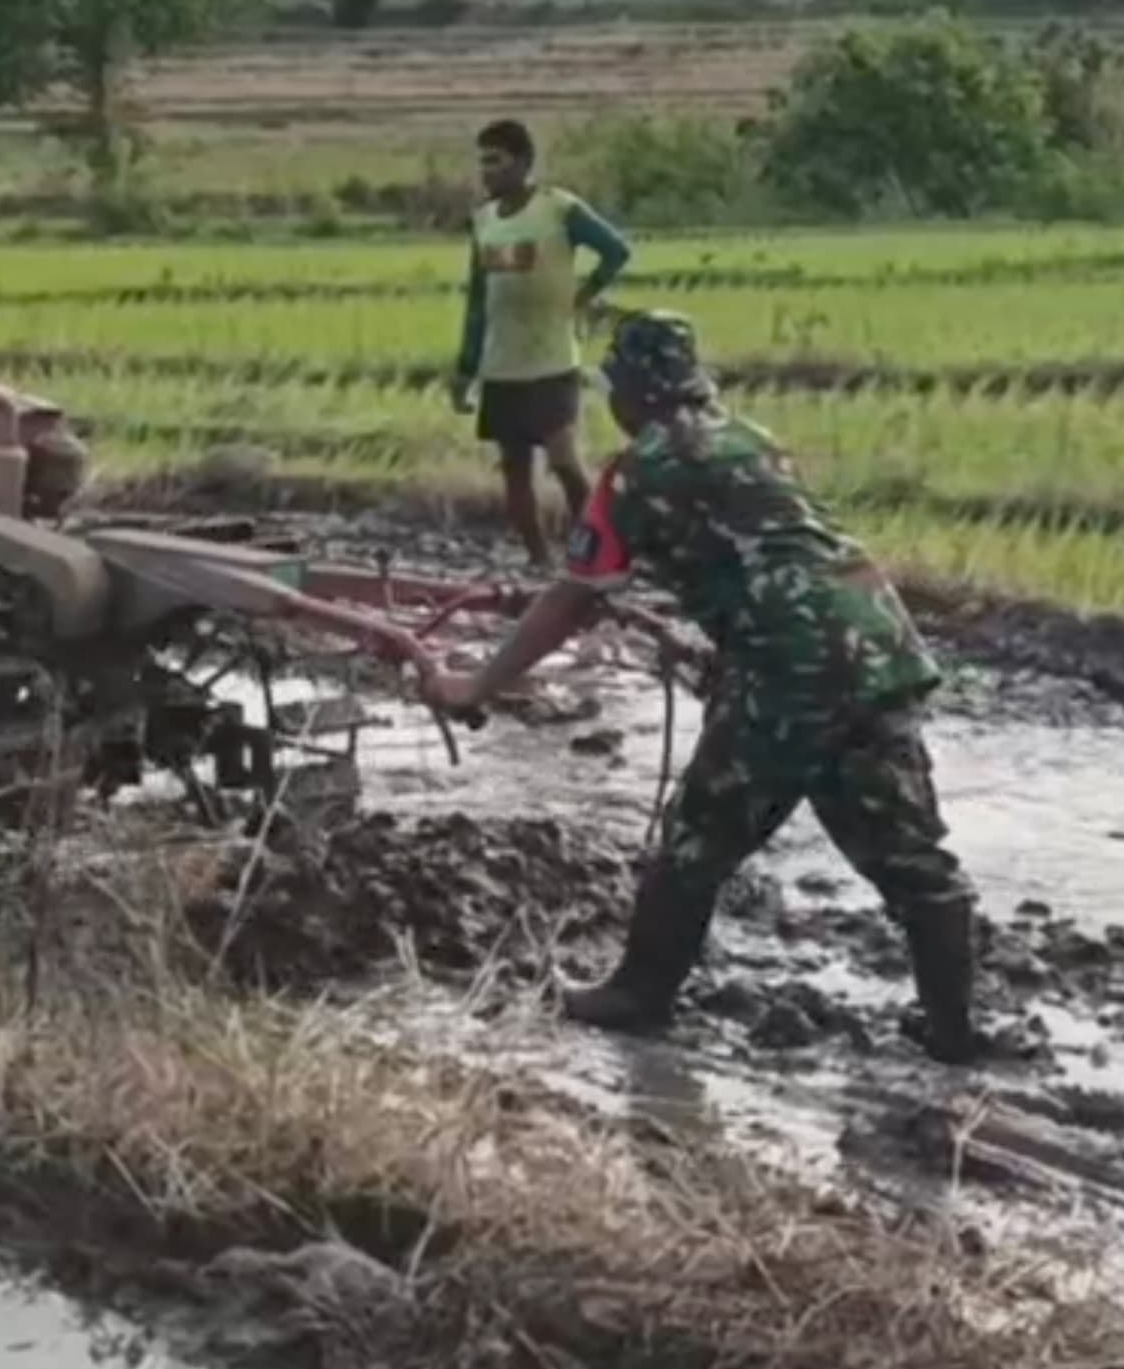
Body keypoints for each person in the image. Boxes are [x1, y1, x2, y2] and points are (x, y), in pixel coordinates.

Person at [418, 312, 987, 1064]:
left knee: (697, 836)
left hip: (788, 669)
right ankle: (955, 1031)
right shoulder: (751, 439)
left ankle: (637, 995)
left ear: (633, 393)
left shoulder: (640, 470)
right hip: (878, 647)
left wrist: (478, 683)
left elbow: (574, 596)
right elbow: (760, 558)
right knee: (909, 852)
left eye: (615, 390)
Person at [451, 121, 631, 569]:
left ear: (524, 162)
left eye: (496, 161)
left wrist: (584, 295)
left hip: (551, 360)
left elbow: (616, 251)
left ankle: (595, 554)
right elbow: (478, 301)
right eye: (483, 162)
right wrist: (466, 368)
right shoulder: (485, 221)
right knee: (515, 469)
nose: (487, 171)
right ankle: (538, 560)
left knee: (565, 460)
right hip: (501, 364)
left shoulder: (558, 209)